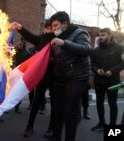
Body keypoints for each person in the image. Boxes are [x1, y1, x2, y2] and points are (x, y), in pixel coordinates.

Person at [12, 11, 91, 141]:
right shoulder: (55, 36)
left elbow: (86, 49)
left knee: (69, 111)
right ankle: (56, 136)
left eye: (55, 25)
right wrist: (20, 28)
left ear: (65, 23)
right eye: (52, 26)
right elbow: (35, 39)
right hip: (60, 76)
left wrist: (64, 43)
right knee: (58, 109)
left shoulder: (79, 33)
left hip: (76, 77)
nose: (53, 29)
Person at [91, 28, 124, 131]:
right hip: (99, 81)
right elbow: (92, 64)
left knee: (112, 103)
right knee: (99, 103)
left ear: (109, 35)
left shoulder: (119, 48)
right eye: (100, 35)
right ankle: (101, 123)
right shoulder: (96, 50)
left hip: (113, 81)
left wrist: (112, 71)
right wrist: (97, 70)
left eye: (103, 35)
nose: (101, 37)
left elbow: (122, 63)